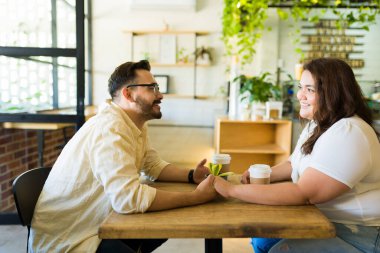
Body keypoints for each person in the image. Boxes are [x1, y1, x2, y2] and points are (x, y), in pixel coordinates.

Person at [29, 60, 217, 253]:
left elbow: (152, 165)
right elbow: (128, 199)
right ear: (128, 93)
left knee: (165, 224)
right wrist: (195, 198)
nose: (160, 95)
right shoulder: (110, 129)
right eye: (152, 88)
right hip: (71, 242)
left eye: (157, 87)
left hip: (97, 226)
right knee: (165, 219)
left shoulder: (132, 123)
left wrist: (191, 175)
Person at [213, 58, 380, 253]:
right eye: (301, 87)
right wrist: (265, 173)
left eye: (310, 90)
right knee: (262, 239)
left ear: (334, 93)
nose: (300, 95)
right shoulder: (317, 124)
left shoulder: (349, 131)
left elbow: (305, 193)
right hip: (321, 218)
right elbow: (294, 163)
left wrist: (231, 191)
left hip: (357, 232)